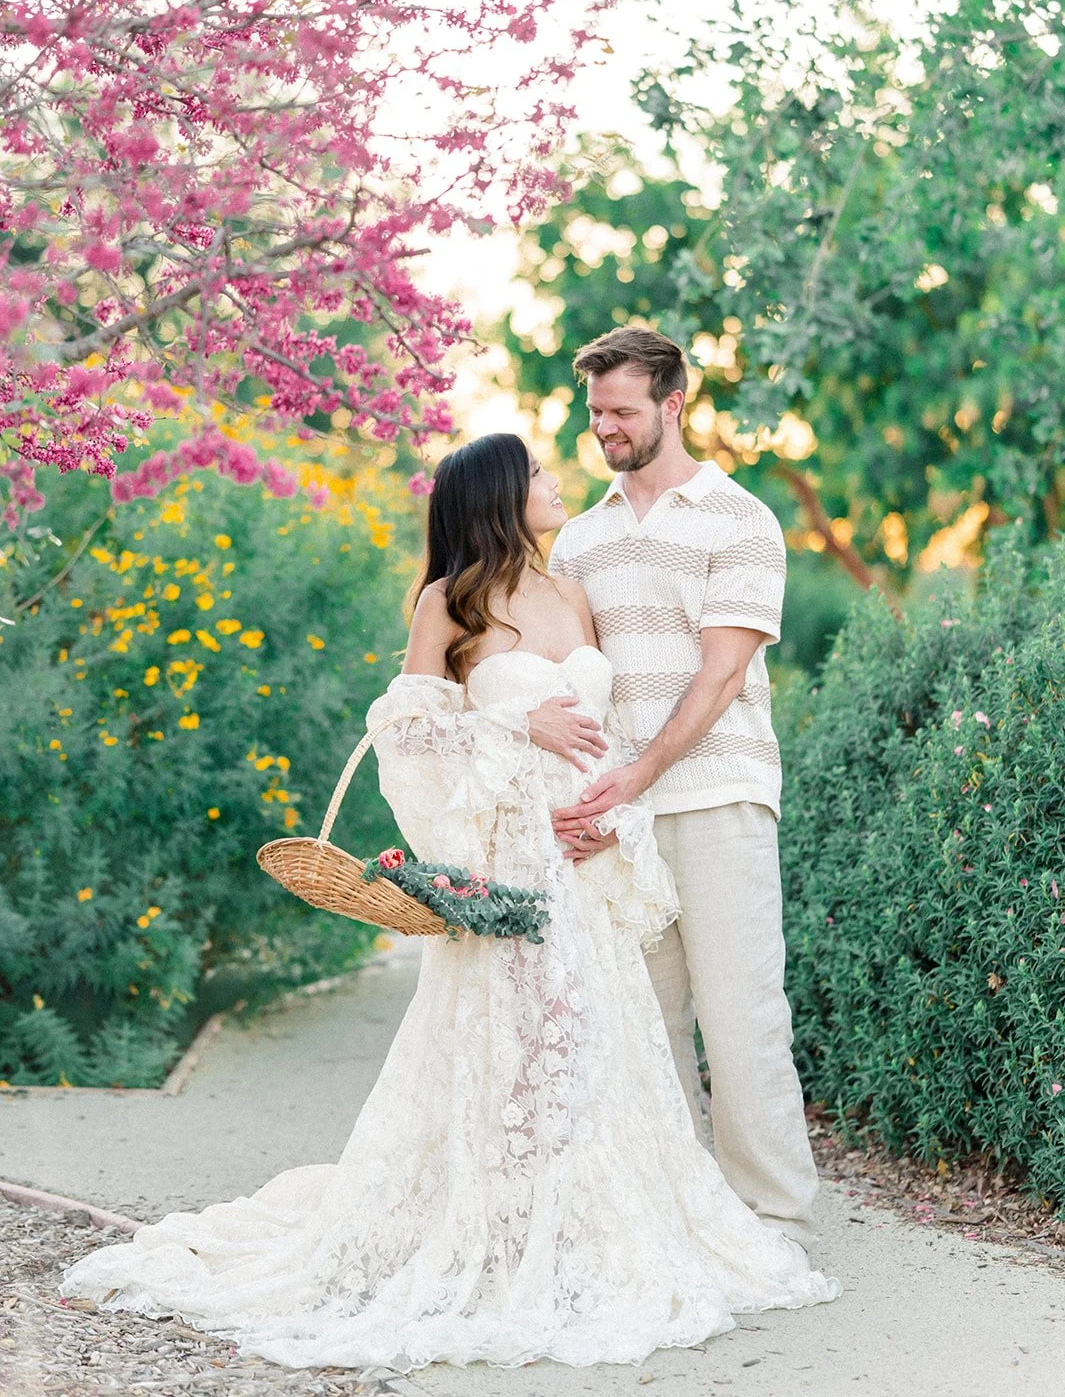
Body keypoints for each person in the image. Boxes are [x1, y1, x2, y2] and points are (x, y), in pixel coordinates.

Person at [61, 432, 838, 1372]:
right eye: (541, 475)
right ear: (501, 496)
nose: (558, 484)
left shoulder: (573, 592)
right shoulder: (448, 601)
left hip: (583, 863)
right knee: (508, 1052)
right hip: (509, 864)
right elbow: (406, 736)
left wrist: (607, 821)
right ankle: (502, 1231)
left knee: (594, 1052)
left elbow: (605, 735)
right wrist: (515, 725)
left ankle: (588, 1226)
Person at [549, 325, 820, 1253]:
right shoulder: (577, 540)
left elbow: (718, 677)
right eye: (594, 413)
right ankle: (685, 1213)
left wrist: (642, 772)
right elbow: (567, 681)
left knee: (741, 1010)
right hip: (619, 810)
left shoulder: (739, 518)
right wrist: (586, 795)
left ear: (672, 404)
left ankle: (771, 1216)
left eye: (622, 410)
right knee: (647, 1018)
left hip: (715, 792)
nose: (605, 428)